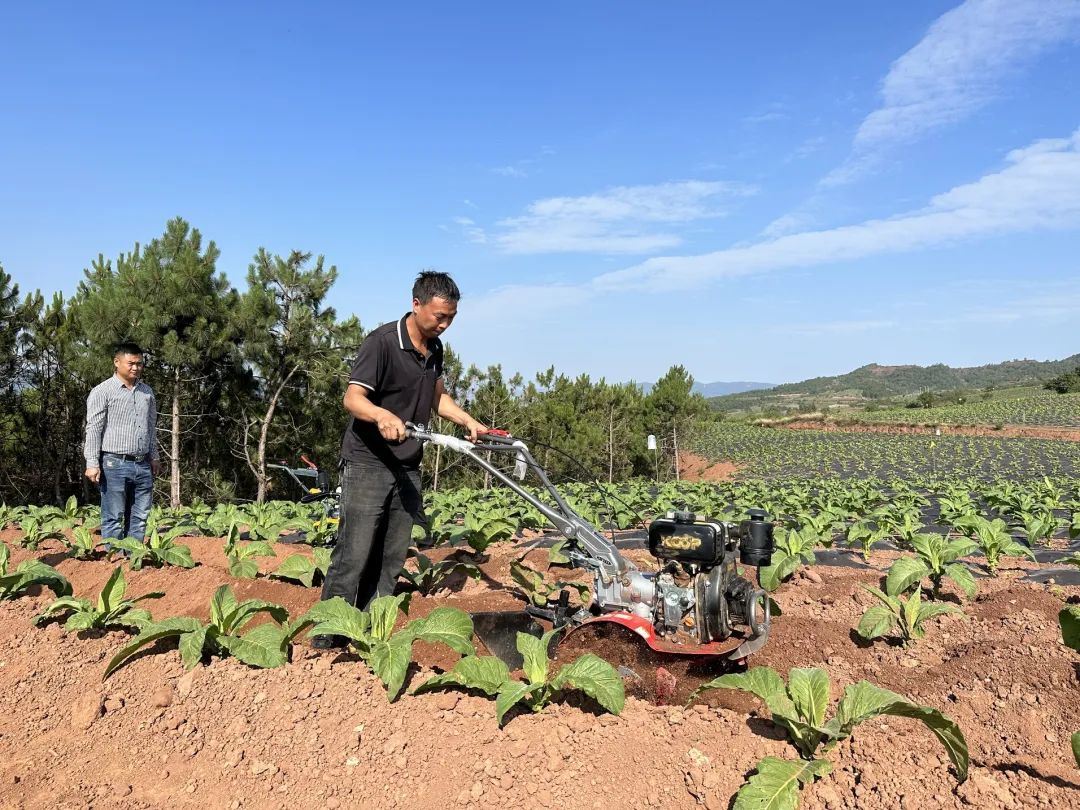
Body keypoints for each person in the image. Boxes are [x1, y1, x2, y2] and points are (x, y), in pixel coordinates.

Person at [314, 272, 486, 649]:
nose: (445, 325)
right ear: (416, 304)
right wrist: (381, 415)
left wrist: (468, 421)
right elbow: (353, 398)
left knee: (390, 559)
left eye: (451, 318)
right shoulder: (382, 343)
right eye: (439, 317)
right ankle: (327, 639)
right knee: (354, 553)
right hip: (368, 462)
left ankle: (371, 634)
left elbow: (437, 397)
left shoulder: (434, 348)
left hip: (407, 465)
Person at [84, 342, 160, 543]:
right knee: (113, 516)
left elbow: (151, 427)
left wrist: (154, 456)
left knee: (140, 517)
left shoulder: (147, 392)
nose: (136, 367)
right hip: (114, 463)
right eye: (131, 363)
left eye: (139, 363)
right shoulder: (102, 391)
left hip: (142, 463)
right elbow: (93, 428)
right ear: (116, 362)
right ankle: (115, 557)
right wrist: (92, 463)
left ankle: (133, 555)